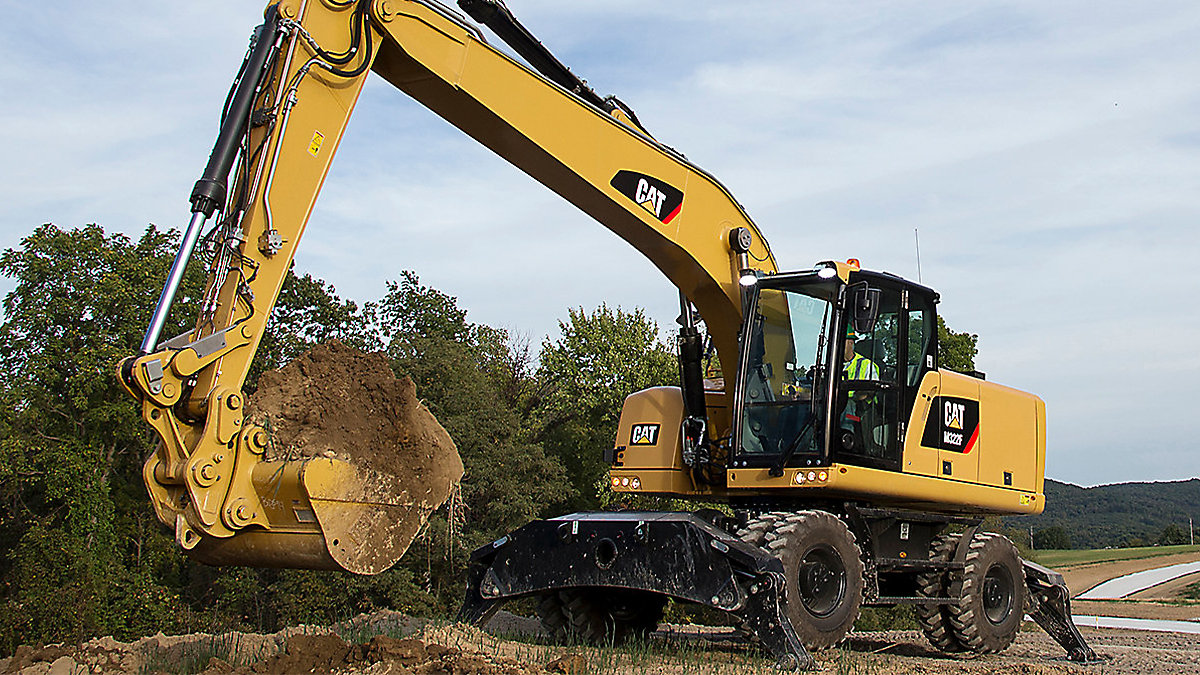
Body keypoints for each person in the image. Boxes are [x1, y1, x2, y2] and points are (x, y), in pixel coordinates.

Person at [842, 325, 878, 447]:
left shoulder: (866, 365)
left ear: (851, 343)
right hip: (837, 408)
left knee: (848, 405)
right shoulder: (833, 367)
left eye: (842, 342)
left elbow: (868, 392)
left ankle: (846, 440)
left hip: (862, 413)